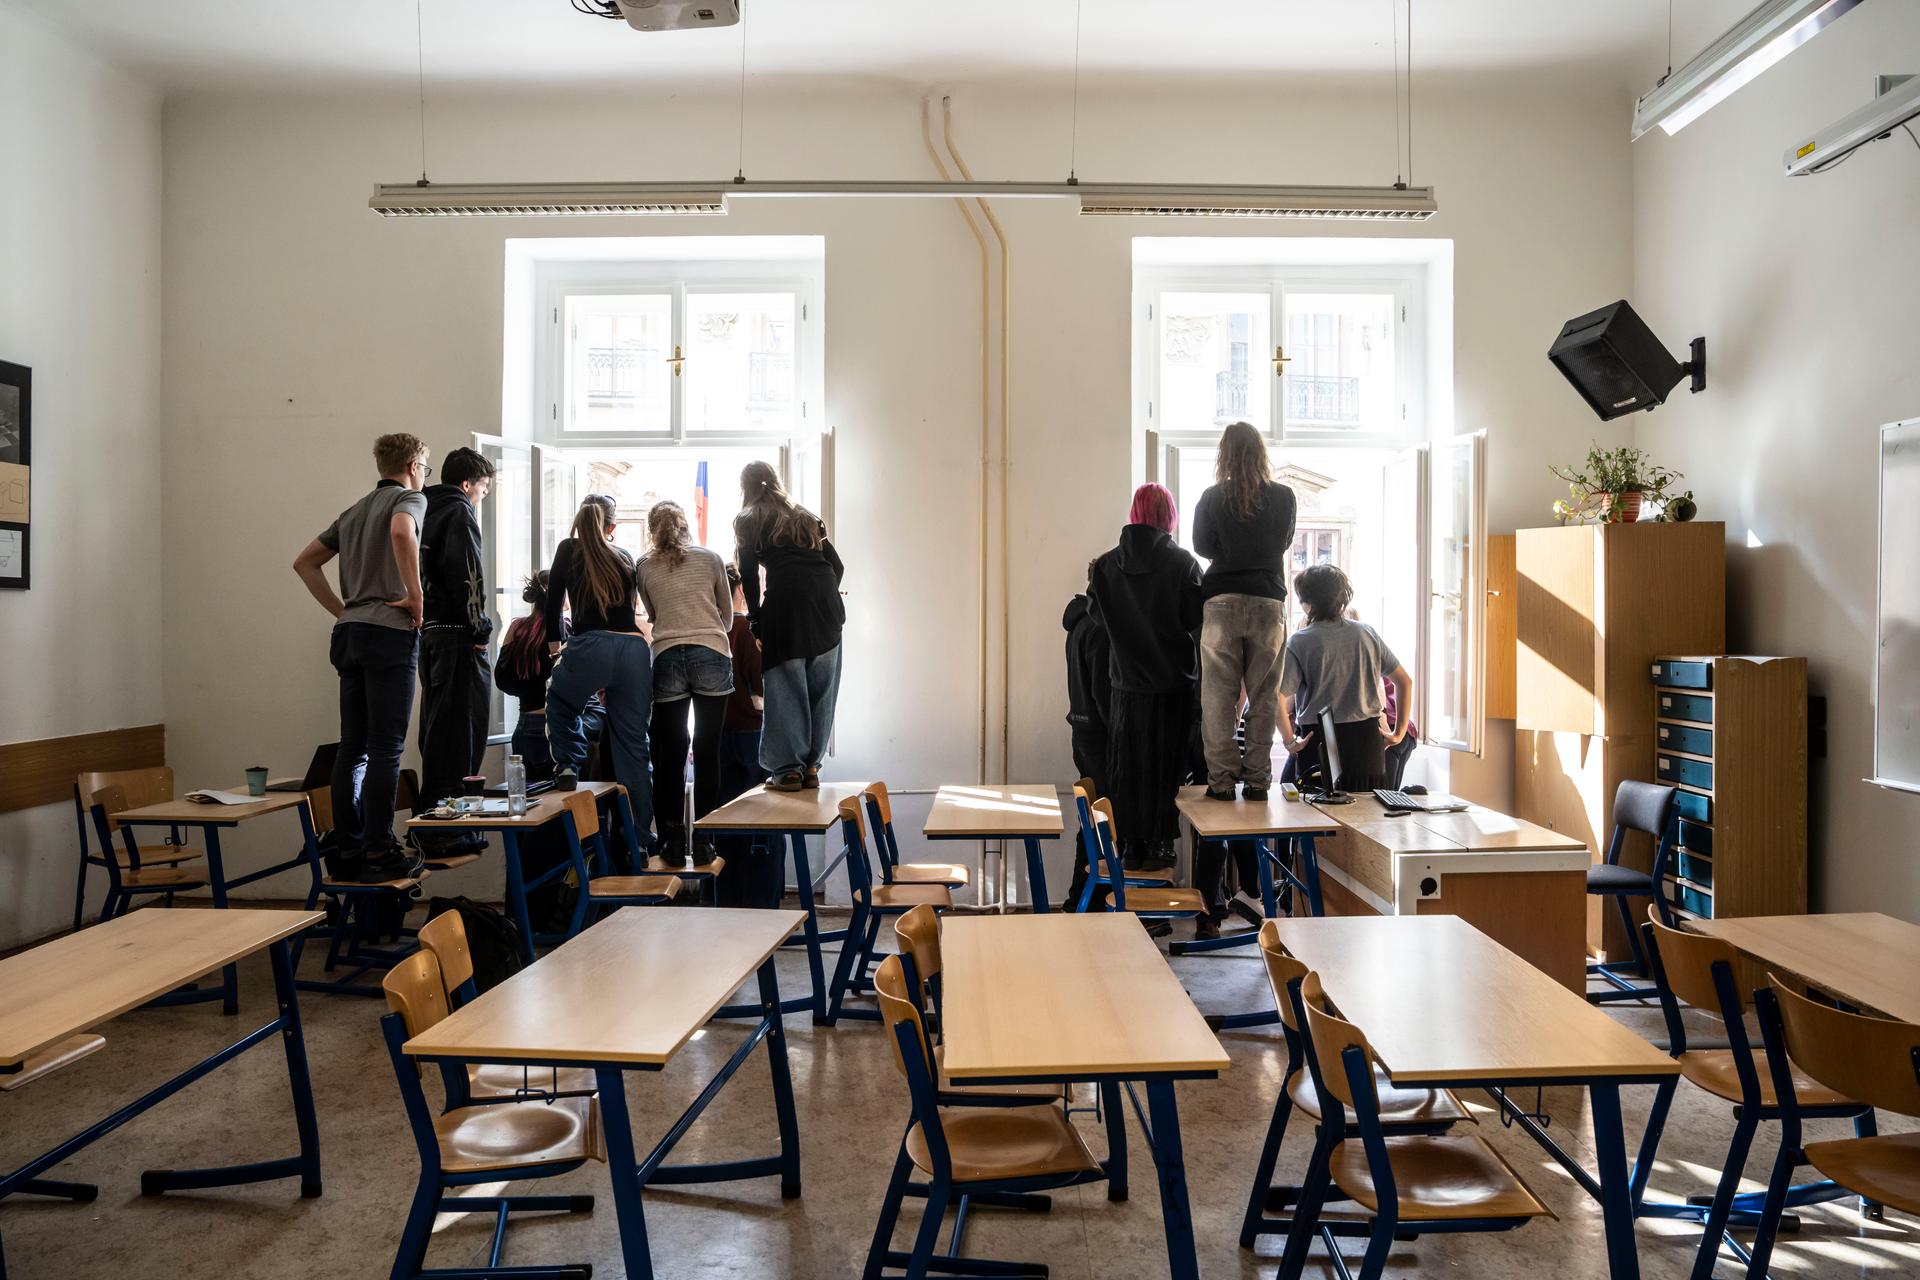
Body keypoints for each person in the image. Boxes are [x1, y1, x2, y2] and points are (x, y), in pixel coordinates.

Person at [291, 432, 431, 882]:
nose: (424, 477)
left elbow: (305, 563)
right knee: (387, 747)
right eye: (425, 469)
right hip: (388, 634)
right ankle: (379, 849)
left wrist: (344, 609)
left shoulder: (351, 513)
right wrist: (416, 596)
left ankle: (347, 849)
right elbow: (400, 531)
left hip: (349, 634)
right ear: (413, 466)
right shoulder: (409, 500)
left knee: (352, 747)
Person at [1088, 482, 1202, 873]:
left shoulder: (1104, 566)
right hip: (1173, 691)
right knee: (1166, 778)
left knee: (1128, 776)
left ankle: (1132, 861)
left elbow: (1098, 619)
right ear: (1169, 516)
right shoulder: (1184, 564)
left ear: (1134, 514)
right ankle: (1160, 865)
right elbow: (1196, 622)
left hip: (1125, 690)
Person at [1192, 421, 1297, 801]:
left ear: (1225, 455)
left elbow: (1202, 545)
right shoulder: (1284, 497)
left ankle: (1220, 783)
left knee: (1218, 698)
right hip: (1269, 602)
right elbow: (1283, 543)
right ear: (1260, 453)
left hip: (1220, 602)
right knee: (1265, 695)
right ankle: (1257, 781)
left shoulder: (1212, 497)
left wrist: (1229, 550)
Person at [543, 494, 655, 847]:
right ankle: (640, 838)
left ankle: (567, 765)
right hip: (634, 649)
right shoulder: (623, 556)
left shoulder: (567, 548)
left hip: (590, 645)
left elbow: (552, 604)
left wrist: (555, 648)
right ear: (612, 526)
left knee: (560, 702)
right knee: (633, 745)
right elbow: (634, 605)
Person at [734, 461, 845, 792]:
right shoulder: (804, 514)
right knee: (822, 688)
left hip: (785, 602)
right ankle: (811, 766)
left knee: (785, 685)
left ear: (746, 487)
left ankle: (787, 770)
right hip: (826, 601)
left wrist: (756, 620)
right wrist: (821, 593)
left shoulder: (748, 518)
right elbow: (837, 565)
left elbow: (749, 574)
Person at [637, 500, 734, 865]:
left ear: (652, 529)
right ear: (684, 525)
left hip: (667, 655)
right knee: (708, 750)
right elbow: (726, 617)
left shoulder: (644, 566)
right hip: (710, 650)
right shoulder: (710, 558)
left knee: (670, 752)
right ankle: (706, 841)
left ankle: (673, 843)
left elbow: (653, 614)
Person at [1278, 564, 1413, 793]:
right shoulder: (1366, 633)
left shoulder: (1299, 641)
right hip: (1366, 742)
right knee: (1366, 818)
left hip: (1318, 739)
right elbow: (1404, 682)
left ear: (1307, 603)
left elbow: (1277, 697)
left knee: (1317, 816)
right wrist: (1398, 733)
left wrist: (1289, 740)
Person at [417, 447, 496, 834]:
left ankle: (434, 824)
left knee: (436, 731)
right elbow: (469, 577)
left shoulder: (420, 509)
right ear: (467, 485)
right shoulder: (459, 511)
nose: (481, 500)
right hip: (456, 637)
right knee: (462, 733)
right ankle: (450, 829)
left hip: (427, 634)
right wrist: (480, 630)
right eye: (483, 491)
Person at [715, 563, 773, 906]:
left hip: (719, 734)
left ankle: (727, 899)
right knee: (763, 825)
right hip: (752, 735)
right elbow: (762, 681)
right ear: (738, 590)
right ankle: (761, 902)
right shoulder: (745, 628)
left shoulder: (711, 630)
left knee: (725, 824)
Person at [1061, 560, 1112, 909]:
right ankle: (1088, 897)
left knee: (1092, 820)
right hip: (1101, 737)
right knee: (1102, 821)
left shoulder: (1079, 623)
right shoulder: (1099, 628)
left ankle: (1082, 897)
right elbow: (1103, 693)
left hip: (1083, 732)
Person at [494, 571, 558, 783]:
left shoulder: (517, 627)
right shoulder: (563, 628)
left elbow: (502, 679)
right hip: (554, 725)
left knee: (528, 803)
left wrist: (527, 689)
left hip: (525, 724)